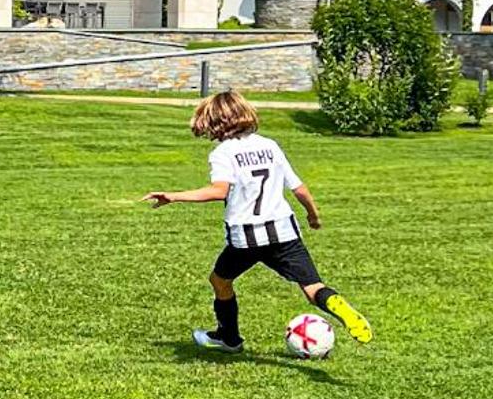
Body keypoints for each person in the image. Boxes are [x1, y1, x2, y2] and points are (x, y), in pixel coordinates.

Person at [144, 88, 373, 353]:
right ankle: (339, 307)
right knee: (312, 287)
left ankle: (229, 339)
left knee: (219, 281)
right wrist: (313, 215)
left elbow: (219, 191)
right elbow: (299, 188)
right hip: (284, 232)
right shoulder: (270, 145)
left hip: (247, 237)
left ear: (216, 120)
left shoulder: (223, 152)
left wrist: (173, 196)